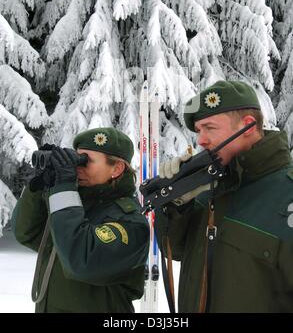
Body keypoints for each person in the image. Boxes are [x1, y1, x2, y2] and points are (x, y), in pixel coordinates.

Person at [155, 80, 293, 313]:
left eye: (209, 128)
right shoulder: (208, 188)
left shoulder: (286, 194)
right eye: (198, 131)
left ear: (248, 126)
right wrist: (177, 202)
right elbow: (176, 249)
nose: (200, 140)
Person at [12, 127, 149, 313]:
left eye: (86, 161)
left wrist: (65, 188)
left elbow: (81, 261)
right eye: (76, 158)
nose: (77, 167)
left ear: (116, 169)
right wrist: (39, 188)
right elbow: (26, 233)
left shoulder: (130, 222)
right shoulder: (73, 207)